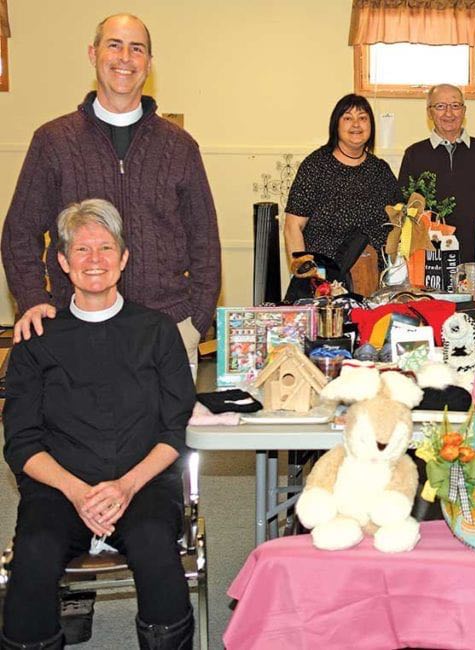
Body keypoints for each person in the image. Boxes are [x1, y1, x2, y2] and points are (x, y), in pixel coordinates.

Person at [2, 199, 196, 650]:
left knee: (155, 547)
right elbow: (22, 442)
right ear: (64, 263)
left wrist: (125, 487)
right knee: (33, 556)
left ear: (124, 259)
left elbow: (175, 429)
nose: (95, 261)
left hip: (141, 482)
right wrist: (77, 492)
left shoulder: (158, 331)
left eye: (106, 248)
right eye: (82, 250)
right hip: (59, 488)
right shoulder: (36, 338)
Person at [1, 14, 220, 370]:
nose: (125, 58)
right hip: (75, 329)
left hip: (167, 331)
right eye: (114, 45)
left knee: (165, 429)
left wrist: (195, 320)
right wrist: (33, 300)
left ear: (149, 63)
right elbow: (18, 233)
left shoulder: (180, 146)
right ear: (93, 53)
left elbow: (205, 241)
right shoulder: (53, 141)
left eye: (137, 49)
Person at [284, 93, 400, 294]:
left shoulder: (380, 170)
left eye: (363, 118)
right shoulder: (316, 167)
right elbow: (293, 226)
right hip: (324, 284)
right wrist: (309, 277)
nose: (356, 124)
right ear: (336, 125)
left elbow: (399, 225)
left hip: (374, 282)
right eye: (347, 118)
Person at [397, 84, 475, 263]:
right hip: (432, 256)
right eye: (440, 106)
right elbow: (404, 207)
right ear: (429, 112)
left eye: (455, 106)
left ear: (464, 110)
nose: (449, 113)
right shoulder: (414, 154)